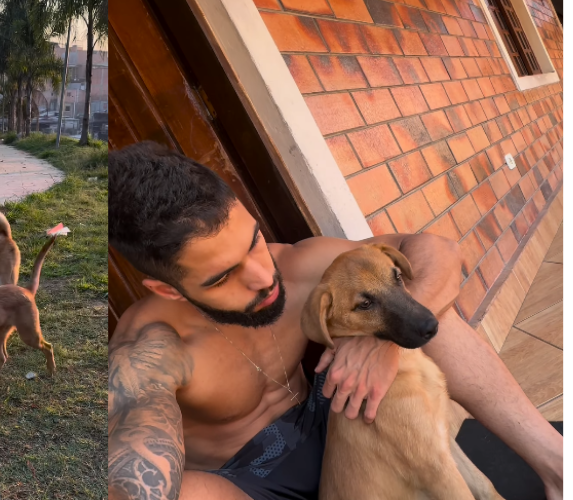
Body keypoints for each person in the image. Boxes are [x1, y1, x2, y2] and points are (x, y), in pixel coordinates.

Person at [107, 142, 562, 500]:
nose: (265, 277)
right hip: (256, 482)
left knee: (412, 311)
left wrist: (383, 343)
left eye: (254, 242)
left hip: (340, 411)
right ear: (166, 289)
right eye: (224, 276)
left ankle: (558, 467)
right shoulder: (150, 348)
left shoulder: (304, 265)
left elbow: (436, 251)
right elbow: (132, 468)